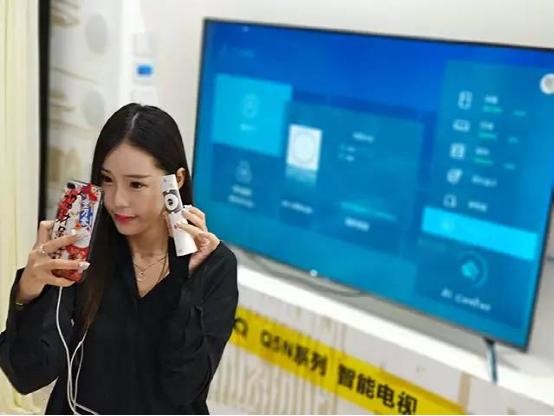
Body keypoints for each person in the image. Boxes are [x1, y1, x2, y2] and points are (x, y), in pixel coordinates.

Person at [0, 104, 238, 414]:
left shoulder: (213, 265)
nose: (117, 200)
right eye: (107, 179)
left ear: (176, 181)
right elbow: (28, 374)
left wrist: (184, 280)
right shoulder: (81, 249)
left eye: (136, 184)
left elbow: (183, 387)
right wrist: (29, 293)